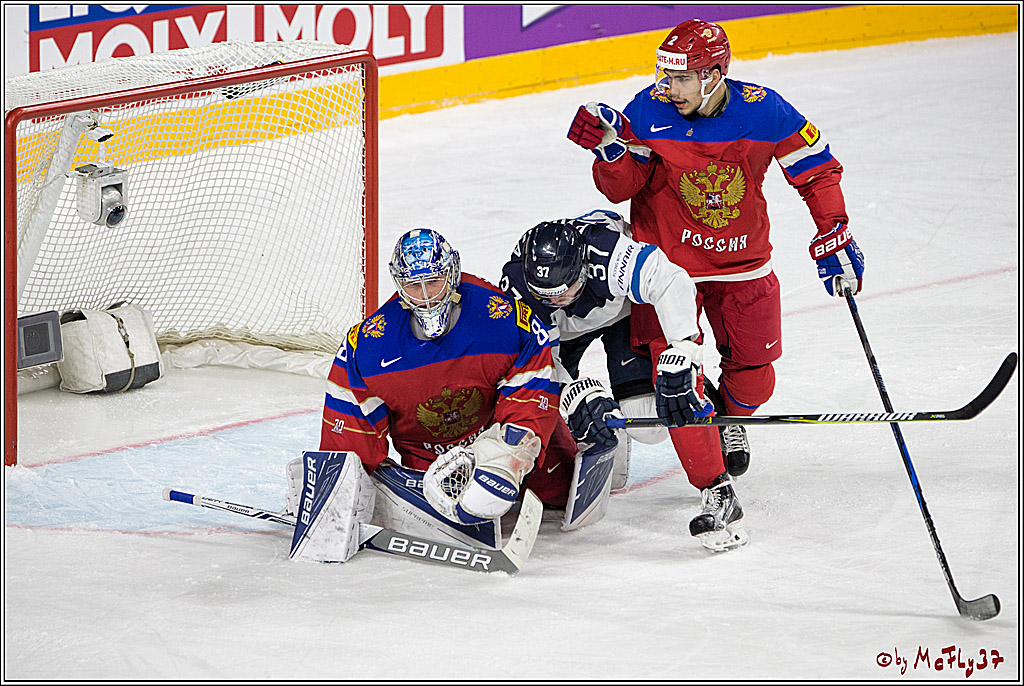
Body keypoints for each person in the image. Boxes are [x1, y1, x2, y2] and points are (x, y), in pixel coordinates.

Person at [566, 18, 865, 483]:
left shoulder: (765, 111)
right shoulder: (646, 111)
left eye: (682, 77)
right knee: (676, 383)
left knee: (756, 381)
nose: (670, 87)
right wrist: (610, 150)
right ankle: (713, 486)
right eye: (667, 75)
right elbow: (620, 188)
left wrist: (835, 231)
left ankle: (726, 419)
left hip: (744, 266)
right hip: (667, 274)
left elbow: (817, 170)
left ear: (714, 75)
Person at [289, 227, 609, 561]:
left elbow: (533, 386)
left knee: (556, 490)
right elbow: (350, 432)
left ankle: (569, 437)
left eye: (433, 281)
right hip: (431, 471)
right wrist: (333, 495)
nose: (426, 295)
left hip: (499, 438)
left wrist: (507, 456)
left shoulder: (498, 318)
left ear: (452, 274)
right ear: (399, 285)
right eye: (414, 285)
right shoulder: (368, 346)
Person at [501, 209, 747, 551]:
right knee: (553, 404)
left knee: (650, 423)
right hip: (562, 332)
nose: (559, 299)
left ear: (583, 268)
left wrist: (683, 349)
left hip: (625, 311)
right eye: (548, 295)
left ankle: (715, 414)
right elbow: (534, 357)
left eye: (567, 289)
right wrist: (571, 390)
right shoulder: (518, 286)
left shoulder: (609, 252)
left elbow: (669, 279)